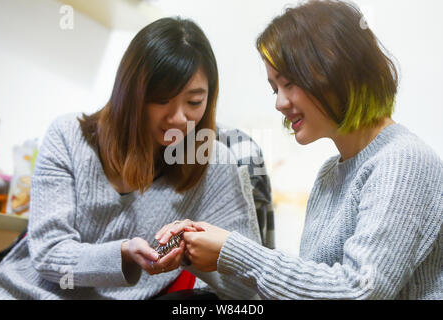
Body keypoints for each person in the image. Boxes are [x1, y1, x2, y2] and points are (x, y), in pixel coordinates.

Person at [160, 0, 443, 299]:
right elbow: (308, 289)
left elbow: (358, 291)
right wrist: (197, 252)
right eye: (275, 88)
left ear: (337, 70)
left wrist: (235, 251)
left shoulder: (403, 160)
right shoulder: (329, 174)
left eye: (289, 83)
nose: (279, 103)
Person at [0, 17, 261, 299]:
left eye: (194, 102)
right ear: (131, 92)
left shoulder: (214, 164)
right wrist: (123, 254)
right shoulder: (68, 136)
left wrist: (191, 254)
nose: (179, 118)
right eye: (161, 99)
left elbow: (248, 285)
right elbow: (50, 253)